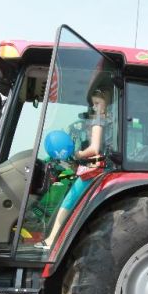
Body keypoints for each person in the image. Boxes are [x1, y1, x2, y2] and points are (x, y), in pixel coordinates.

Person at [35, 88, 111, 249]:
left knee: (68, 203)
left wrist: (78, 154)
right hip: (98, 168)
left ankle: (52, 240)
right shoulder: (110, 122)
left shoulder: (98, 121)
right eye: (93, 104)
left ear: (106, 102)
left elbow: (95, 148)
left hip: (92, 171)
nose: (95, 107)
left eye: (98, 103)